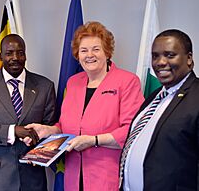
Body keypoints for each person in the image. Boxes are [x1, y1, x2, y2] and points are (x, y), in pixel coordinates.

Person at [25, 21, 144, 191]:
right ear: (77, 55)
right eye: (84, 50)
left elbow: (132, 131)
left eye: (96, 49)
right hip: (73, 175)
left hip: (107, 176)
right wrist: (48, 130)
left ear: (107, 52)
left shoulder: (127, 81)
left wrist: (93, 141)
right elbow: (66, 126)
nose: (89, 55)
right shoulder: (73, 83)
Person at [0, 34, 56, 191]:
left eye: (20, 53)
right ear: (1, 56)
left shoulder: (45, 86)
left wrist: (40, 151)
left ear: (25, 55)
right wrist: (12, 131)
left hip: (33, 177)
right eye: (9, 53)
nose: (15, 57)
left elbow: (52, 128)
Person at [119, 29, 199, 191]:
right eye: (155, 56)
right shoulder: (155, 96)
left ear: (189, 59)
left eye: (170, 55)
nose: (160, 62)